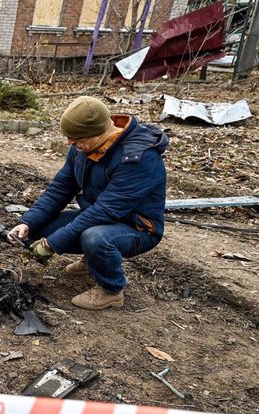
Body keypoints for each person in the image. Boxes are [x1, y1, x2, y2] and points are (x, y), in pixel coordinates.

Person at [9, 96, 168, 311]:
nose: (69, 143)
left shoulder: (138, 158)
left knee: (96, 238)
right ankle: (92, 262)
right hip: (99, 216)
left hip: (137, 227)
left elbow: (105, 211)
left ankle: (111, 290)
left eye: (75, 137)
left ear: (99, 131)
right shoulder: (83, 147)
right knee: (42, 226)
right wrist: (28, 222)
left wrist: (51, 245)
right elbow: (60, 188)